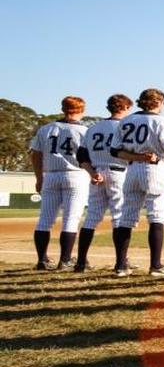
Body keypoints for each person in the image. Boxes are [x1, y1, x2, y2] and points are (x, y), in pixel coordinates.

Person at [111, 89, 164, 277]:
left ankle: (121, 265)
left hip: (131, 170)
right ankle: (155, 265)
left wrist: (137, 156)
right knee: (156, 216)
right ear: (159, 102)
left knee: (126, 218)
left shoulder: (126, 120)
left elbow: (115, 151)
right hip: (155, 168)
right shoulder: (163, 122)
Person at [29, 96, 90, 270]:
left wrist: (39, 178)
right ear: (82, 110)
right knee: (71, 218)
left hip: (51, 175)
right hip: (76, 175)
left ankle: (42, 260)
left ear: (62, 109)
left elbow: (35, 154)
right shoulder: (85, 131)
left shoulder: (46, 129)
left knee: (44, 220)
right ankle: (65, 260)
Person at [74, 94, 133, 272]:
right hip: (118, 172)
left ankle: (81, 262)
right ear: (125, 107)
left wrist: (92, 173)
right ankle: (121, 264)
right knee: (119, 218)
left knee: (91, 217)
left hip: (97, 172)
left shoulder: (93, 128)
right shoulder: (126, 126)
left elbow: (81, 156)